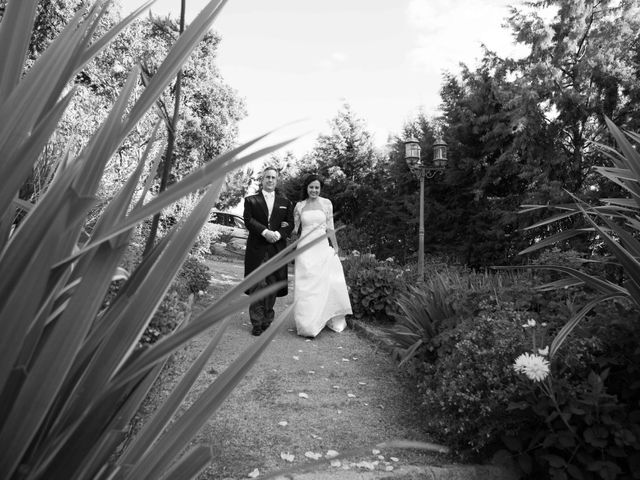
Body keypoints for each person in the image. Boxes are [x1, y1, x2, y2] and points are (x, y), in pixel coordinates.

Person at [293, 174, 352, 338]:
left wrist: (336, 246)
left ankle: (321, 318)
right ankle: (306, 324)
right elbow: (294, 230)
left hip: (321, 247)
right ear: (306, 188)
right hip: (304, 248)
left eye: (317, 187)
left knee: (321, 284)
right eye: (311, 187)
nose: (314, 190)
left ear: (320, 189)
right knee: (305, 286)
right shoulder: (299, 206)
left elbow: (330, 228)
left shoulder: (327, 203)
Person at [243, 166, 294, 336]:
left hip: (276, 249)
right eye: (267, 177)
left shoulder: (285, 203)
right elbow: (249, 220)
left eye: (273, 177)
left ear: (276, 180)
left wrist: (279, 234)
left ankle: (267, 318)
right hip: (257, 248)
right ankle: (257, 322)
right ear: (262, 180)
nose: (270, 180)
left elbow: (290, 224)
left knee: (271, 285)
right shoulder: (251, 200)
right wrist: (265, 232)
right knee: (258, 284)